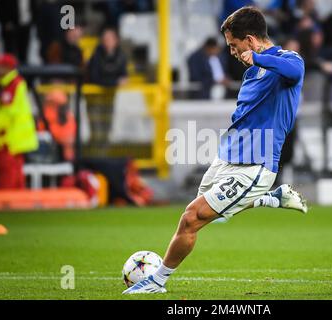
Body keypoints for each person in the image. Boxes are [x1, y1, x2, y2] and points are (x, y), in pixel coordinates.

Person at [123, 6, 308, 295]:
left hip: (257, 164)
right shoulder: (251, 75)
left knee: (191, 218)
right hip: (228, 157)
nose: (231, 52)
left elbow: (295, 72)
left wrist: (258, 57)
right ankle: (272, 199)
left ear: (250, 39)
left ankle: (156, 282)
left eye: (234, 45)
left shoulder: (287, 60)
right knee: (211, 213)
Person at [0, 54, 38, 189]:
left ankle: (7, 204)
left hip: (9, 138)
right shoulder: (6, 83)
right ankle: (18, 204)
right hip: (14, 138)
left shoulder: (11, 85)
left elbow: (7, 114)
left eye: (0, 67)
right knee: (16, 174)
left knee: (8, 174)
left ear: (7, 68)